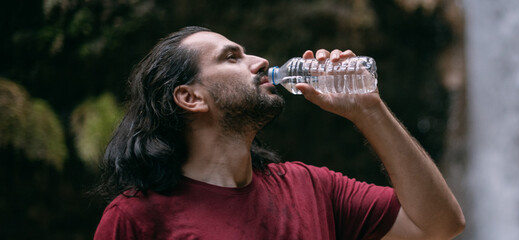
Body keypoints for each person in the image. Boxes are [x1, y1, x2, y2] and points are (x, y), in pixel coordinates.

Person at [93, 26, 465, 239]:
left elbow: (440, 224)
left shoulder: (312, 188)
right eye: (232, 57)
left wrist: (370, 111)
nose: (260, 62)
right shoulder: (135, 219)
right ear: (191, 97)